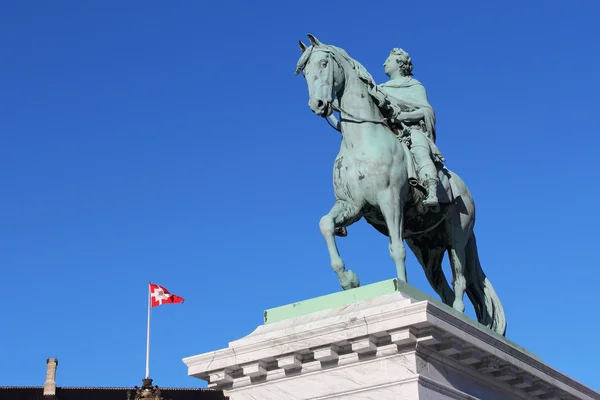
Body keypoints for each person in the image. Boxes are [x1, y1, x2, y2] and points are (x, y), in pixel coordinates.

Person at [370, 48, 444, 207]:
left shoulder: (415, 86)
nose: (384, 63)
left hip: (411, 131)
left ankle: (431, 189)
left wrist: (403, 117)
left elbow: (426, 111)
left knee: (419, 148)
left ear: (400, 63)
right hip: (387, 130)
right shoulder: (380, 89)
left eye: (388, 60)